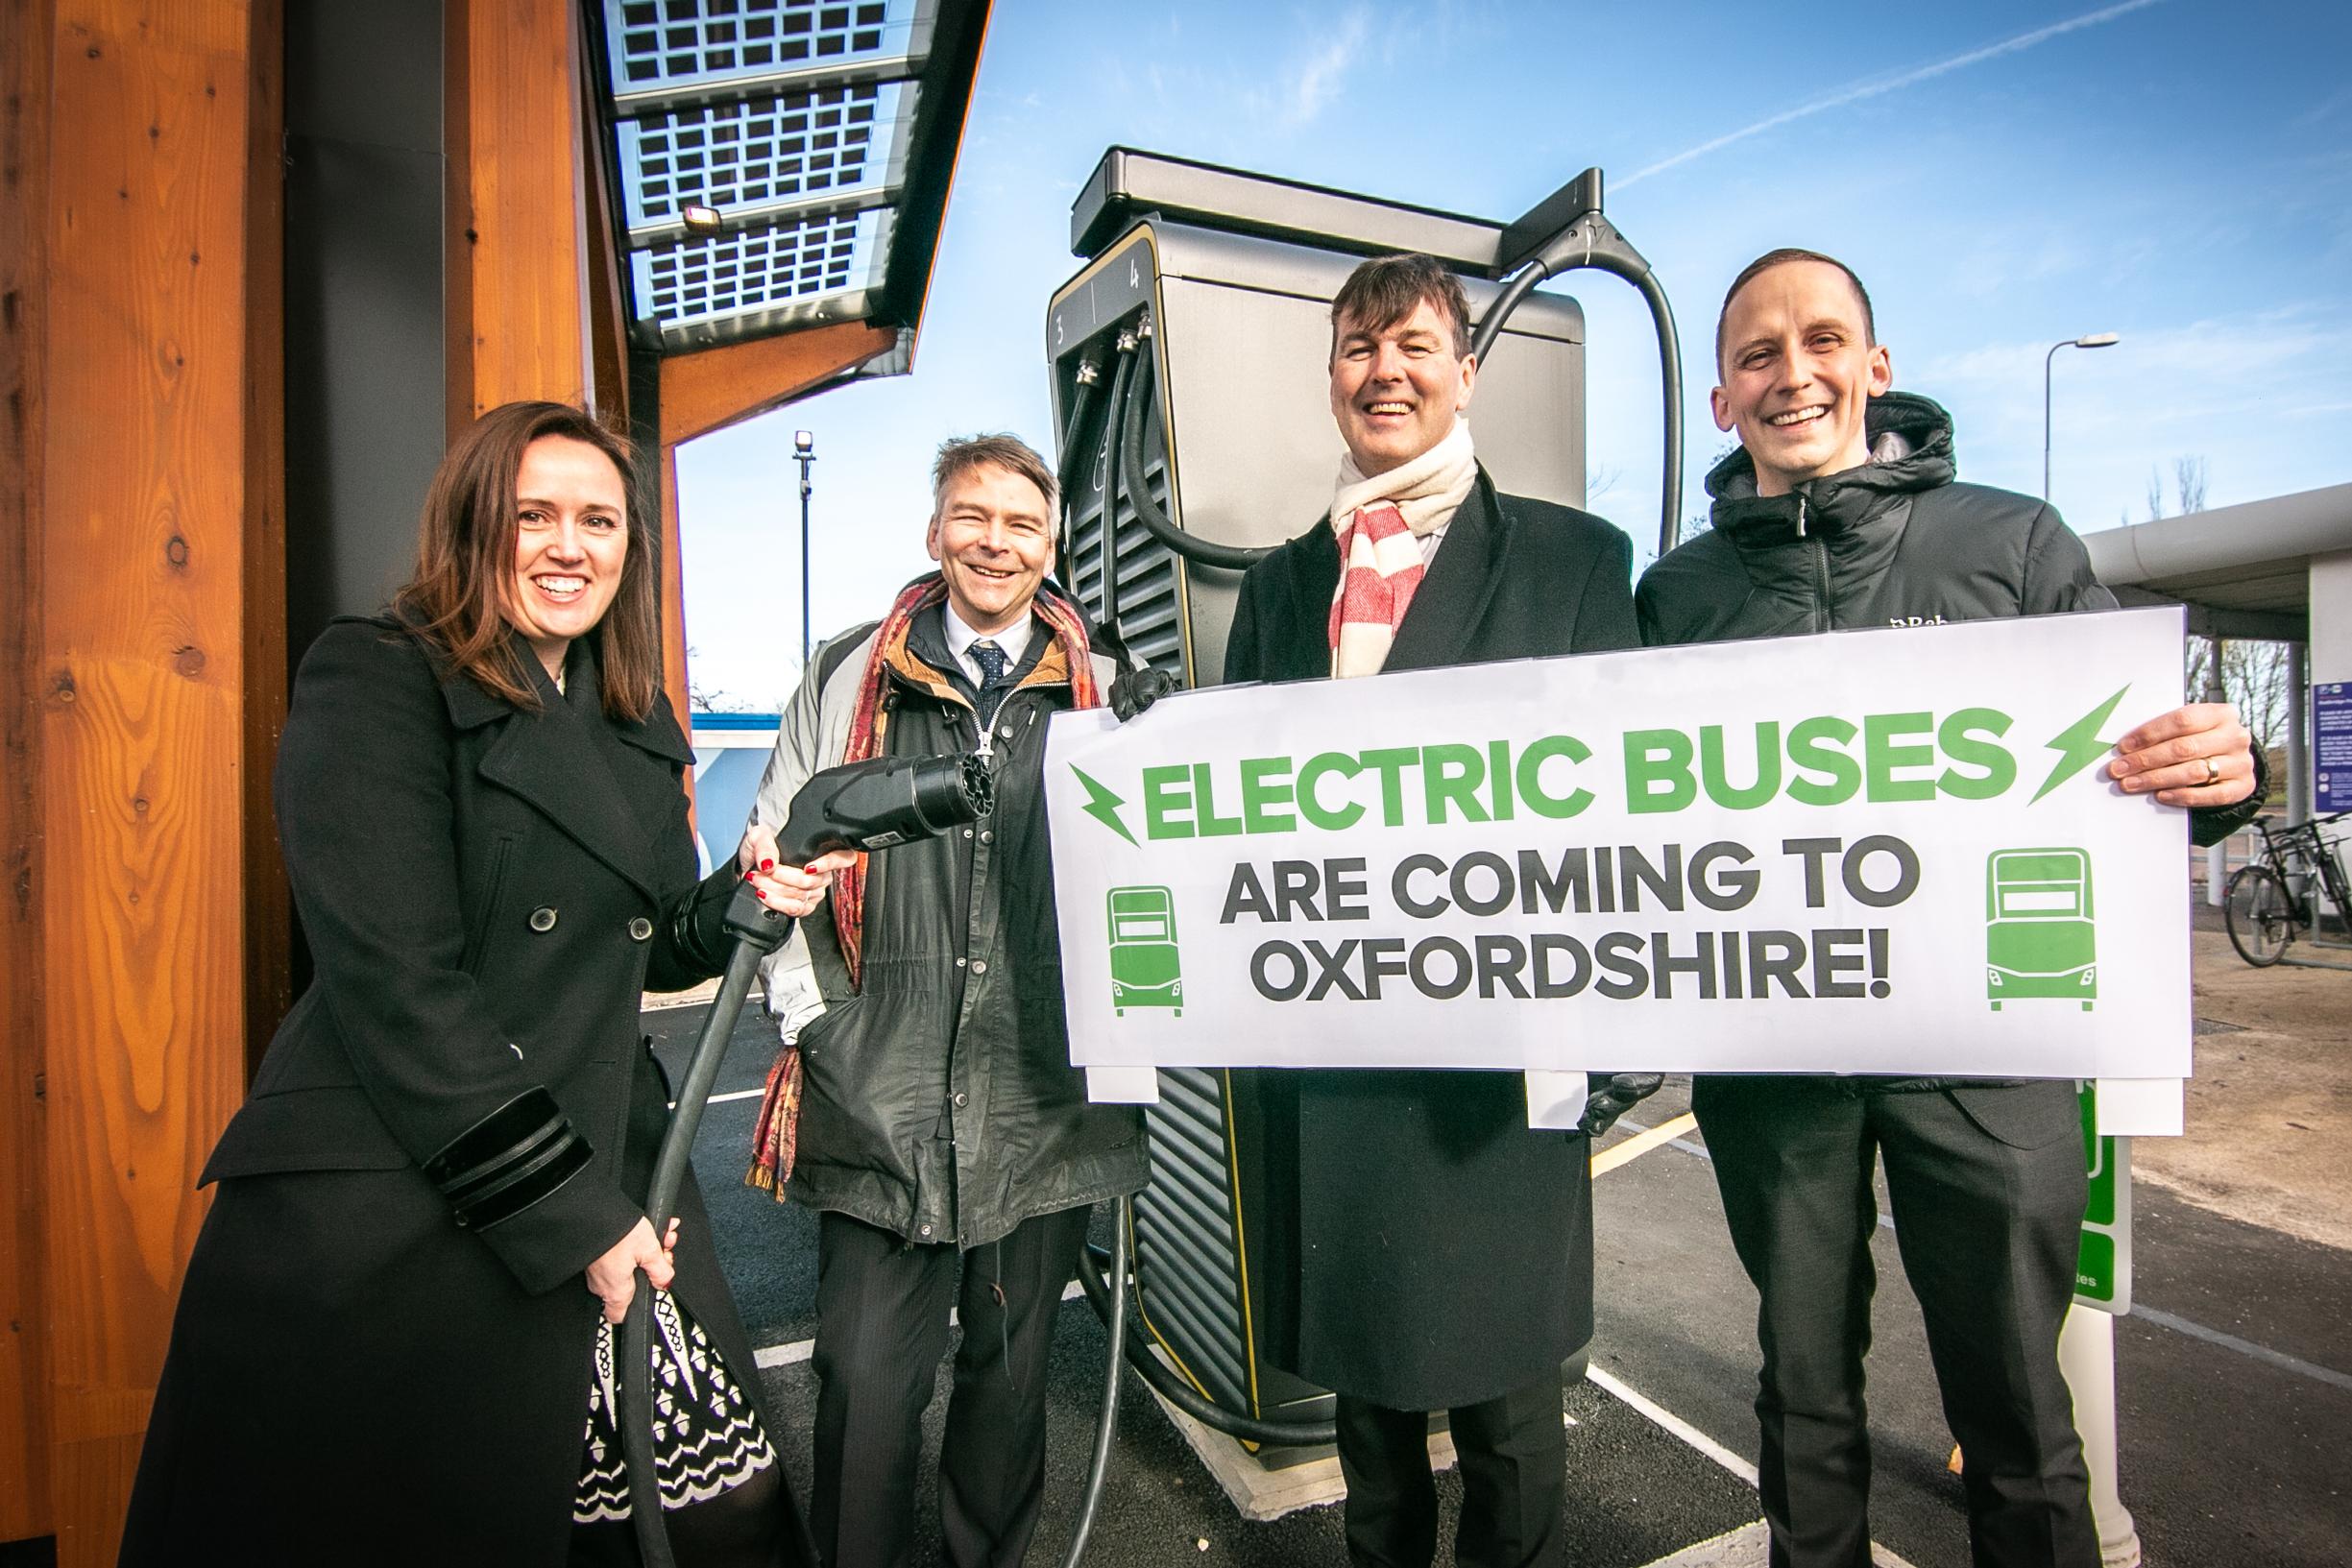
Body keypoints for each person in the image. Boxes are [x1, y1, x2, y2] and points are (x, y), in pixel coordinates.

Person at [122, 401, 837, 1567]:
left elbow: (649, 944)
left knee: (725, 1517)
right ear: (473, 526)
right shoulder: (379, 676)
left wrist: (749, 891)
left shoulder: (629, 713)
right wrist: (575, 1218)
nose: (570, 545)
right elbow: (401, 986)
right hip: (412, 1199)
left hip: (605, 1162)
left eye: (598, 520)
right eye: (534, 515)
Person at [1637, 249, 2264, 1568]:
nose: (1790, 373)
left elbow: (2143, 766)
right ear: (1719, 398)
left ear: (1874, 368)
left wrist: (2217, 779)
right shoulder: (1677, 597)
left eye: (1820, 342)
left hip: (1988, 1062)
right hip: (1776, 1068)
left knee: (2019, 1412)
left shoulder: (2010, 540)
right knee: (1801, 1396)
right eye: (1757, 353)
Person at [1215, 253, 1643, 1568]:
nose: (1383, 370)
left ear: (1466, 370)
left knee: (1510, 1404)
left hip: (1503, 1061)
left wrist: (1612, 1040)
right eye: (1356, 347)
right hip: (1333, 1062)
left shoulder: (1576, 560)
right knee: (1370, 1401)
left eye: (1412, 344)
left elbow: (1631, 810)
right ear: (1331, 376)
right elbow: (1230, 812)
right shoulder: (1284, 584)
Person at [740, 434, 1150, 1568]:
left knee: (1010, 1389)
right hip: (880, 1092)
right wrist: (819, 1025)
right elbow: (774, 859)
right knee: (866, 1385)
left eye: (1020, 524)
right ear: (935, 532)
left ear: (1050, 544)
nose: (994, 542)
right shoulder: (843, 673)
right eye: (971, 516)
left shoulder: (1104, 686)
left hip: (1044, 1094)